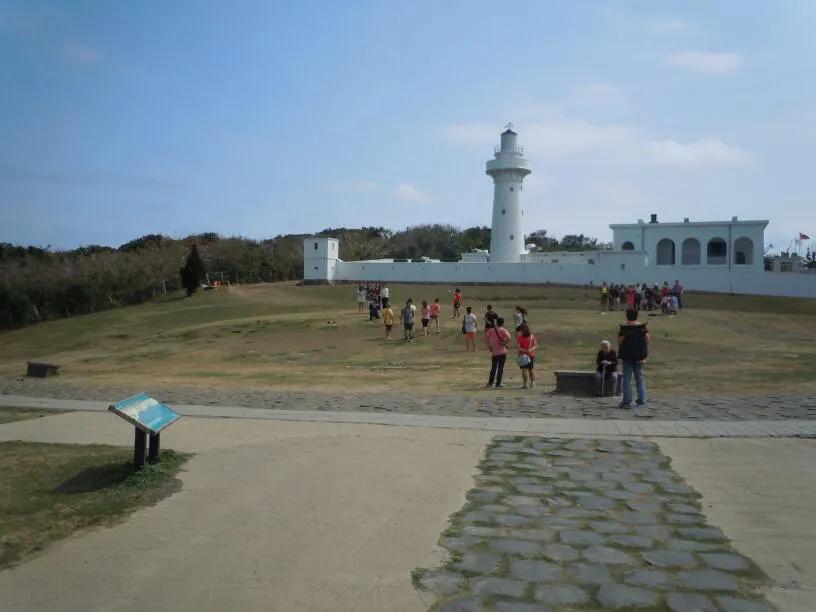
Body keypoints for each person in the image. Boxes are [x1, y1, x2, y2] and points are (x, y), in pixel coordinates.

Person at [618, 308, 649, 408]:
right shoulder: (642, 328)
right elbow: (647, 339)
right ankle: (641, 399)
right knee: (640, 378)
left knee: (627, 378)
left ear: (627, 316)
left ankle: (626, 401)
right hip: (640, 356)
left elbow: (619, 342)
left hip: (627, 356)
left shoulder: (625, 329)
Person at [485, 316, 511, 388]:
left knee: (493, 368)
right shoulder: (503, 330)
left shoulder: (491, 330)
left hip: (494, 352)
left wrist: (489, 346)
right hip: (502, 352)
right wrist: (504, 342)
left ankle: (490, 383)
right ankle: (498, 383)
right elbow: (509, 337)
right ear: (502, 323)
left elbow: (486, 338)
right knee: (500, 368)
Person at [516, 322, 537, 389]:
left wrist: (524, 350)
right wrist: (530, 350)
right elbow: (535, 345)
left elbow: (518, 347)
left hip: (523, 356)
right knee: (531, 369)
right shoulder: (532, 336)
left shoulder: (520, 337)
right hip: (531, 355)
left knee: (524, 370)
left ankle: (525, 384)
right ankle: (532, 383)